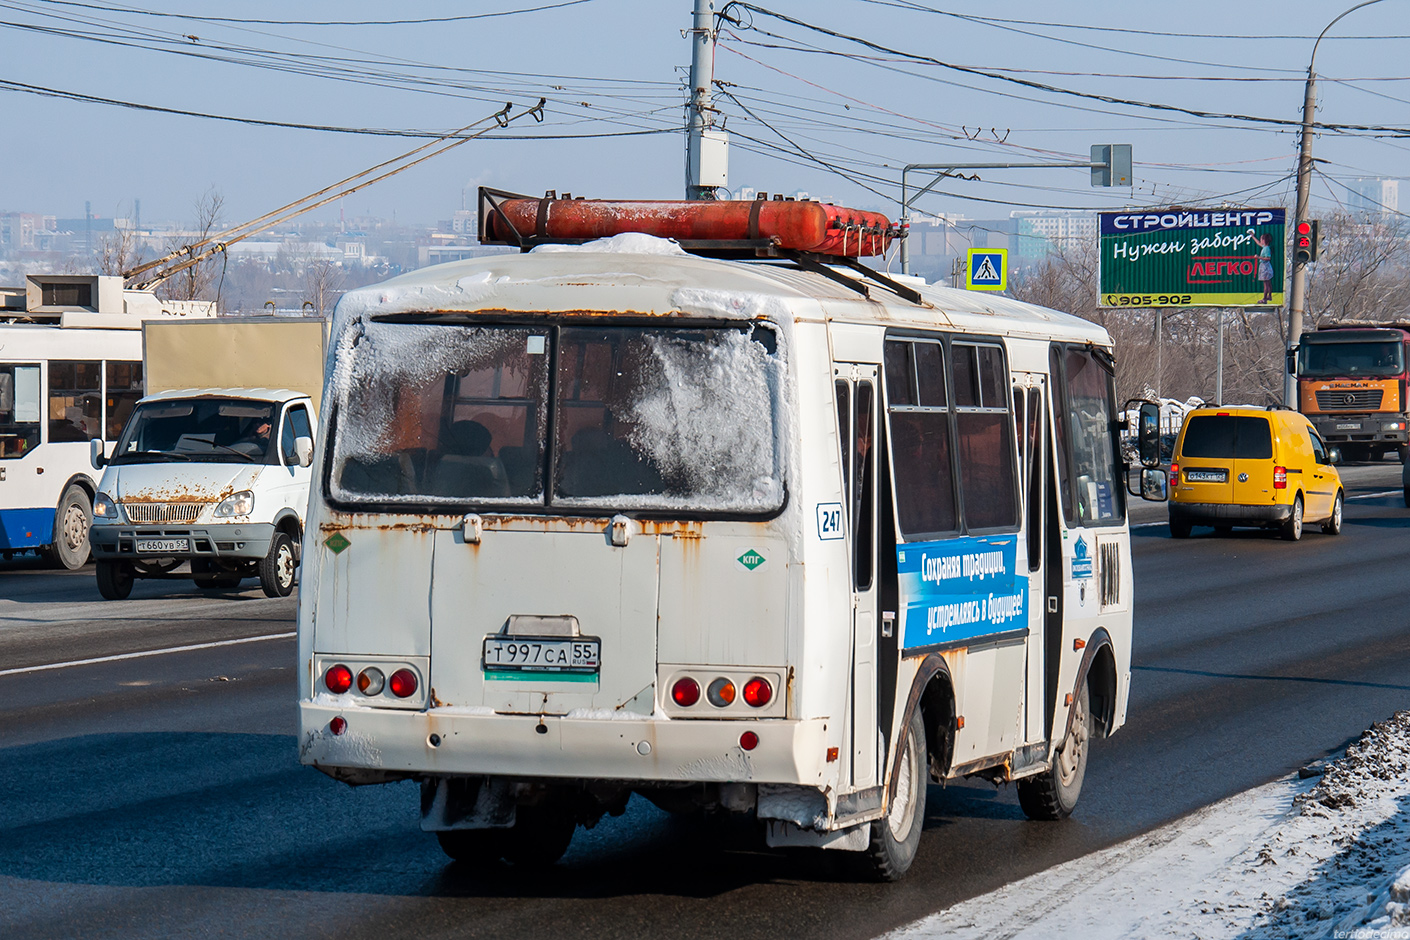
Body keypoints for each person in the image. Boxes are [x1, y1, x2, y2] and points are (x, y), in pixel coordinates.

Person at [1255, 232, 1274, 304]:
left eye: (1261, 239)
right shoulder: (1265, 247)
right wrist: (1253, 236)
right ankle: (1269, 296)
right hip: (1266, 266)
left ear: (1264, 240)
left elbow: (1268, 258)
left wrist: (1258, 257)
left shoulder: (1266, 249)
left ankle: (1264, 299)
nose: (1260, 241)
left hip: (1265, 267)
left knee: (1266, 284)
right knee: (1268, 283)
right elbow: (1258, 243)